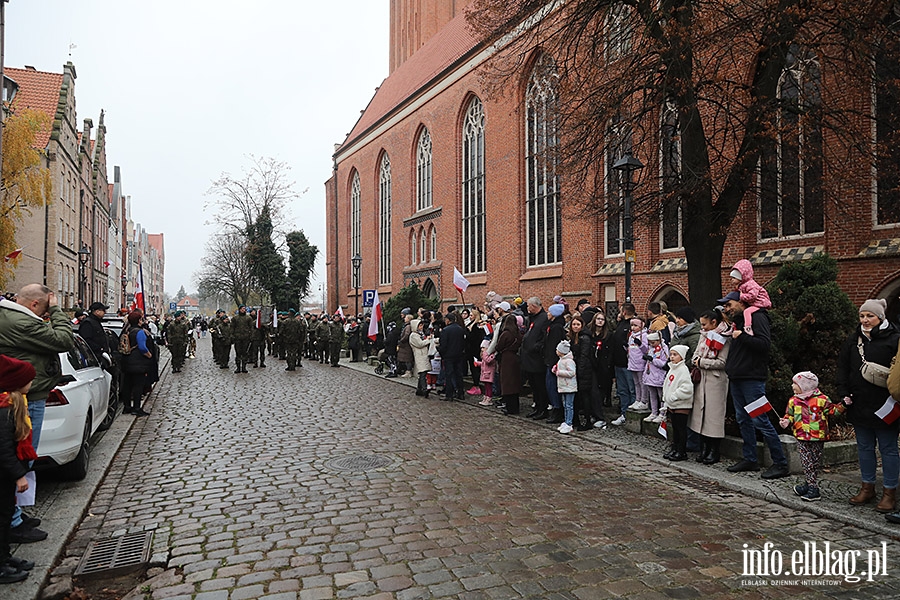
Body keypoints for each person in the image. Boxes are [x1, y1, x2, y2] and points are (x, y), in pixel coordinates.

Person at [0, 283, 75, 543]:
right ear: (34, 305)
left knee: (25, 459)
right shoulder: (21, 322)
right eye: (44, 308)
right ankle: (12, 522)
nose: (46, 315)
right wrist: (56, 311)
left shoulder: (14, 317)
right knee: (22, 460)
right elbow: (65, 339)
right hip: (26, 399)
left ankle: (15, 515)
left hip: (30, 396)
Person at [838, 298, 900, 513]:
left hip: (886, 404)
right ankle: (867, 487)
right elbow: (843, 367)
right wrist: (843, 392)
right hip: (859, 402)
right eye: (862, 316)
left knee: (888, 448)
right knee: (864, 447)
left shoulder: (894, 339)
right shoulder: (853, 340)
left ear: (880, 317)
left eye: (870, 316)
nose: (865, 320)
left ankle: (890, 492)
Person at [720, 290, 789, 479]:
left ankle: (780, 463)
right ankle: (750, 458)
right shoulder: (739, 321)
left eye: (729, 304)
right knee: (743, 419)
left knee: (761, 421)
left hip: (752, 379)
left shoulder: (757, 317)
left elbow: (763, 344)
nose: (727, 309)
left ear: (741, 302)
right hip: (738, 377)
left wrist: (741, 336)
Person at [778, 371, 844, 502]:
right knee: (806, 461)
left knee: (813, 462)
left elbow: (833, 411)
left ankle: (811, 486)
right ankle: (812, 486)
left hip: (817, 437)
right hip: (801, 436)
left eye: (795, 383)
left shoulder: (822, 400)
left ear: (805, 386)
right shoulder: (793, 401)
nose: (792, 386)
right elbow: (789, 415)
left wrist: (844, 405)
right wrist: (786, 421)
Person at [0, 354, 38, 583]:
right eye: (29, 379)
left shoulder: (16, 405)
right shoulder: (6, 410)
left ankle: (4, 557)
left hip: (6, 476)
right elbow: (3, 449)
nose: (32, 383)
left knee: (5, 516)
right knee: (1, 518)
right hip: (4, 475)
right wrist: (18, 475)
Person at [689, 308, 732, 464]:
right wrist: (697, 360)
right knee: (701, 415)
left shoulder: (724, 338)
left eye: (705, 324)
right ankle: (704, 447)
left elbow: (722, 362)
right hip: (702, 380)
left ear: (714, 322)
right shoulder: (703, 336)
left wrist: (702, 363)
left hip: (715, 380)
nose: (703, 327)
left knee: (713, 416)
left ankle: (714, 450)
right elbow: (695, 354)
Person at [662, 345, 694, 461]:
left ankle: (681, 451)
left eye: (675, 355)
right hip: (672, 405)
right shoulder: (672, 369)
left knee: (681, 429)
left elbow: (687, 389)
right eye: (671, 354)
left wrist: (674, 396)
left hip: (681, 405)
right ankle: (674, 448)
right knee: (675, 428)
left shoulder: (683, 370)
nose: (672, 357)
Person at [121, 310, 153, 417]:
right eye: (141, 319)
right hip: (138, 362)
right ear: (139, 320)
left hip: (126, 360)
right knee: (138, 386)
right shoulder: (139, 332)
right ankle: (136, 408)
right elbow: (142, 347)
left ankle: (127, 407)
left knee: (127, 385)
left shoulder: (126, 330)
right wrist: (149, 355)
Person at [522, 298, 550, 420]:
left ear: (534, 306)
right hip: (529, 359)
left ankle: (543, 409)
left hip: (537, 359)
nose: (527, 308)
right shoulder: (532, 318)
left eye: (528, 306)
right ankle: (537, 407)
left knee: (540, 386)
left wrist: (535, 347)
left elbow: (544, 338)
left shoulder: (544, 318)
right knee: (534, 386)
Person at [493, 303, 522, 415]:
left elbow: (498, 346)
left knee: (507, 383)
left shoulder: (506, 333)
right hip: (515, 357)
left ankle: (510, 408)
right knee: (514, 383)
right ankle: (515, 407)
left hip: (506, 358)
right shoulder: (518, 334)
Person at [729, 259, 772, 336]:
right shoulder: (743, 285)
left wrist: (742, 296)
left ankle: (748, 328)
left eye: (734, 278)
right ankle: (733, 327)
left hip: (759, 303)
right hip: (755, 303)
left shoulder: (750, 284)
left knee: (747, 312)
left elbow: (753, 296)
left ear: (741, 277)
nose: (732, 280)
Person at [588, 311, 615, 428]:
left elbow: (610, 353)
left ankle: (599, 416)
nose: (600, 321)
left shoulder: (608, 335)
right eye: (598, 319)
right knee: (592, 391)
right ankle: (593, 413)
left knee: (599, 392)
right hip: (591, 366)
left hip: (603, 367)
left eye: (602, 319)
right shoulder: (589, 333)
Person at [612, 302, 637, 422]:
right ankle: (624, 413)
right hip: (618, 362)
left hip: (629, 363)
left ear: (624, 312)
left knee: (631, 389)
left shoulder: (632, 325)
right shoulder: (620, 323)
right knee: (622, 390)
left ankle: (632, 415)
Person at [544, 303, 568, 424]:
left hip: (553, 362)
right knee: (550, 386)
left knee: (552, 386)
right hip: (550, 360)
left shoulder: (556, 328)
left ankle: (557, 409)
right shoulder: (553, 326)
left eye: (549, 312)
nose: (547, 314)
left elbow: (553, 346)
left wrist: (552, 362)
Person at [641, 331, 668, 423]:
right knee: (652, 395)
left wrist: (653, 360)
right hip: (650, 374)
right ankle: (654, 412)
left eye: (653, 342)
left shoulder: (663, 349)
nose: (651, 344)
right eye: (650, 343)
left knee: (661, 395)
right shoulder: (651, 348)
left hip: (659, 374)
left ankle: (662, 414)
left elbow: (664, 363)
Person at [439, 312, 466, 400]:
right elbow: (463, 343)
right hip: (458, 355)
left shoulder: (446, 330)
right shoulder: (460, 329)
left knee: (449, 375)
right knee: (459, 374)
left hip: (449, 355)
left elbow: (443, 345)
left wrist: (440, 351)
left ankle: (449, 394)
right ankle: (461, 393)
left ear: (448, 320)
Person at [553, 340, 577, 434]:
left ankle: (569, 423)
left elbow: (571, 373)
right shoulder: (561, 360)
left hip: (569, 386)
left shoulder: (569, 361)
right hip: (563, 386)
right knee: (565, 404)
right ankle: (566, 421)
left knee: (569, 405)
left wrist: (559, 373)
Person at [627, 318, 649, 414]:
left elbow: (646, 349)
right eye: (632, 325)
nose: (633, 327)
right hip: (632, 362)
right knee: (636, 382)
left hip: (640, 362)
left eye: (635, 326)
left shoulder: (644, 335)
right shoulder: (631, 335)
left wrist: (640, 345)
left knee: (642, 382)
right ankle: (637, 399)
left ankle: (644, 400)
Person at [409, 319, 432, 397]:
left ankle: (419, 390)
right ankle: (424, 389)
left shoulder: (420, 334)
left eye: (422, 325)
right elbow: (420, 344)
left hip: (424, 355)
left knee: (423, 372)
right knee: (422, 372)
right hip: (419, 355)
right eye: (420, 325)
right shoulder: (413, 335)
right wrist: (428, 340)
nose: (421, 327)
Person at [230, 306, 254, 373]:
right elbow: (232, 327)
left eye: (244, 309)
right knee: (238, 353)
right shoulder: (235, 318)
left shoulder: (248, 318)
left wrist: (251, 336)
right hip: (237, 338)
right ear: (239, 310)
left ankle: (244, 367)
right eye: (242, 309)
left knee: (245, 353)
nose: (244, 310)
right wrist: (232, 336)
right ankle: (238, 367)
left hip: (246, 338)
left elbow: (251, 328)